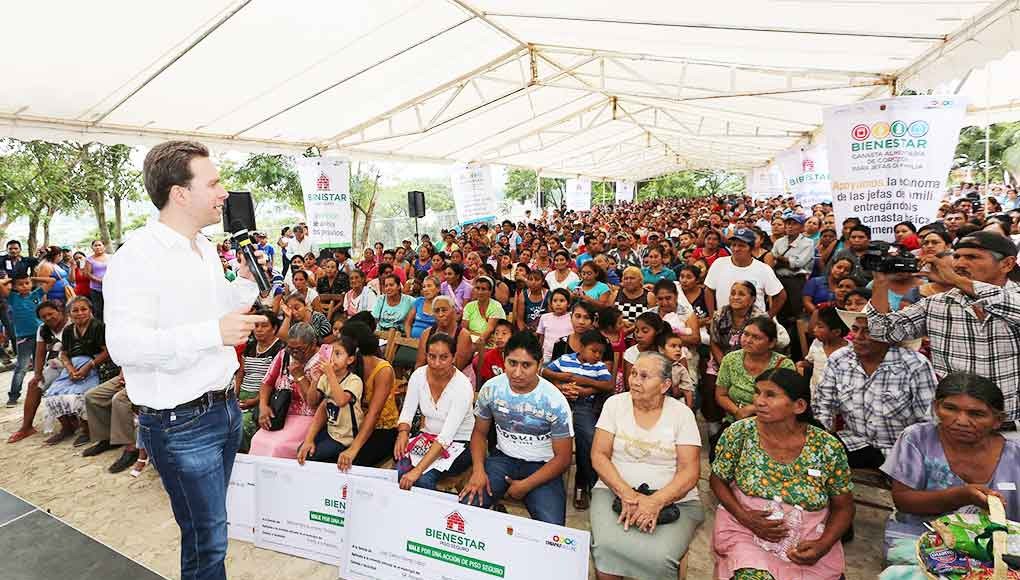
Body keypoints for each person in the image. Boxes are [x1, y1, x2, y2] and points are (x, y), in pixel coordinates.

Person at [104, 140, 268, 580]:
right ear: (179, 193)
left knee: (211, 531)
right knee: (207, 540)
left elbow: (219, 311)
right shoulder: (137, 257)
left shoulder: (206, 248)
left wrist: (247, 284)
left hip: (224, 409)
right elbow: (124, 346)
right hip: (181, 424)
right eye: (213, 183)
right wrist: (212, 334)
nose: (223, 193)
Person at [867, 231, 1020, 429]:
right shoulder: (936, 304)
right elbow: (882, 331)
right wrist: (880, 282)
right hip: (953, 425)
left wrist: (955, 280)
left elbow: (1008, 305)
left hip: (1012, 424)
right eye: (957, 256)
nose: (960, 264)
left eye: (972, 257)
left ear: (1007, 264)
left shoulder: (1014, 299)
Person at [711, 368, 853, 580]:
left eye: (770, 395)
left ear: (799, 406)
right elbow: (717, 480)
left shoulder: (827, 447)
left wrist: (822, 545)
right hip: (747, 531)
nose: (759, 401)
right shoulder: (740, 433)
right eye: (757, 392)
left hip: (807, 540)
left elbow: (844, 506)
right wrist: (746, 518)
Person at [881, 373, 1020, 564]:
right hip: (922, 538)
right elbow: (904, 500)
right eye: (950, 408)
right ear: (936, 408)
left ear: (998, 420)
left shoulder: (1015, 454)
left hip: (1000, 547)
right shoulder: (917, 438)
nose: (961, 421)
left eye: (976, 414)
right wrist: (962, 496)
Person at [590, 352, 704, 580]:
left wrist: (655, 502)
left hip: (674, 498)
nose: (634, 381)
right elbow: (599, 455)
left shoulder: (682, 414)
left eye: (644, 376)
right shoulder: (615, 404)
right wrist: (626, 493)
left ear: (665, 385)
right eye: (633, 373)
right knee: (606, 547)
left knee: (660, 556)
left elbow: (690, 471)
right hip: (614, 490)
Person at [459, 331, 574, 525]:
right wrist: (478, 470)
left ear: (539, 365)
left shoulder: (554, 401)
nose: (517, 373)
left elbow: (563, 459)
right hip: (502, 460)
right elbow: (479, 433)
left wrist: (525, 486)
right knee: (466, 509)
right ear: (504, 359)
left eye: (526, 365)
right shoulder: (491, 389)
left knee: (552, 529)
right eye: (512, 363)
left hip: (542, 466)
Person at [814, 311, 937, 469]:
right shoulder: (839, 359)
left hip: (900, 450)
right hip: (853, 442)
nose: (857, 337)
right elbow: (823, 406)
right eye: (855, 329)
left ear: (888, 337)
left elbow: (928, 422)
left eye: (868, 331)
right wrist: (822, 439)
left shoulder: (915, 365)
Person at [543, 329, 615, 510]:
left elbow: (608, 384)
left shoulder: (599, 367)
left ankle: (583, 482)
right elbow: (544, 372)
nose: (597, 356)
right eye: (594, 351)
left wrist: (585, 385)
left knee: (589, 438)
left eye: (600, 353)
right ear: (581, 348)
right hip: (561, 403)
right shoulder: (565, 359)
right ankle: (547, 479)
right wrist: (560, 381)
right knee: (544, 433)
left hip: (584, 406)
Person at [393, 333, 475, 490]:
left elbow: (446, 437)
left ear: (453, 357)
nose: (437, 363)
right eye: (432, 356)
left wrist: (417, 470)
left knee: (424, 480)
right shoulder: (418, 376)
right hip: (427, 437)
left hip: (458, 443)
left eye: (444, 357)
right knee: (399, 471)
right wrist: (403, 433)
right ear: (426, 355)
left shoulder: (463, 386)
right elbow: (407, 413)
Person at [41, 296, 109, 446]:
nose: (80, 313)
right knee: (52, 394)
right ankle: (67, 428)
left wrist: (88, 366)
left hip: (94, 367)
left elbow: (106, 352)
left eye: (84, 309)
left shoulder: (98, 327)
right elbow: (64, 353)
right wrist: (70, 369)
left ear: (90, 311)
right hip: (72, 367)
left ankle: (87, 430)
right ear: (69, 314)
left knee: (80, 395)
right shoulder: (68, 330)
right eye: (75, 310)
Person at [250, 322, 323, 458]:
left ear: (313, 344)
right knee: (257, 441)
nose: (294, 353)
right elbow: (267, 382)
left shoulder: (322, 360)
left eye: (300, 349)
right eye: (291, 348)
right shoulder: (284, 354)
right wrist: (263, 406)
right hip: (281, 412)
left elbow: (312, 402)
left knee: (277, 446)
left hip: (307, 416)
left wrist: (299, 376)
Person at [337, 321, 401, 468]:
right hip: (353, 424)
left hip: (382, 429)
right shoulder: (348, 365)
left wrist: (354, 449)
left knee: (351, 462)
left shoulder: (383, 370)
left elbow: (374, 413)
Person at [296, 336, 364, 465]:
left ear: (350, 360)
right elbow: (311, 401)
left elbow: (341, 401)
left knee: (312, 457)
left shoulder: (354, 381)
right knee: (302, 450)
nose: (332, 358)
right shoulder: (325, 378)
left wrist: (330, 374)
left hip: (346, 437)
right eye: (331, 353)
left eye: (337, 354)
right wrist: (315, 380)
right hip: (331, 431)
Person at [6, 300, 67, 443]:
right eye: (43, 316)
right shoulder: (42, 329)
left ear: (59, 311)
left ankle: (70, 425)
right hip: (57, 365)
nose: (48, 318)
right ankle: (26, 427)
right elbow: (40, 353)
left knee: (58, 387)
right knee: (34, 385)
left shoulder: (71, 324)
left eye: (50, 314)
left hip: (75, 364)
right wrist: (38, 374)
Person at [715, 316, 795, 423]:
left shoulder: (784, 364)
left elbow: (787, 400)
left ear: (771, 343)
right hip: (736, 420)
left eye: (756, 337)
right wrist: (738, 412)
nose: (748, 340)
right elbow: (721, 394)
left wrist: (753, 409)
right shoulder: (731, 359)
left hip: (773, 421)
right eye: (745, 334)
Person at [705, 228, 786, 318]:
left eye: (741, 246)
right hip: (724, 321)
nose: (736, 249)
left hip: (753, 322)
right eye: (733, 245)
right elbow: (709, 290)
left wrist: (767, 317)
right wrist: (712, 316)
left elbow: (781, 295)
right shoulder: (719, 263)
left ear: (751, 249)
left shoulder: (763, 269)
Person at [1, 272, 55, 407]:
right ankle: (13, 395)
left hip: (40, 335)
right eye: (20, 284)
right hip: (23, 337)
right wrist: (12, 279)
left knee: (40, 365)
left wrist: (33, 278)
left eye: (27, 283)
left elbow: (51, 281)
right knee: (21, 367)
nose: (24, 286)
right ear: (14, 286)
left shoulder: (36, 294)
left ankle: (42, 389)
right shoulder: (12, 297)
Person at [235, 307, 284, 452]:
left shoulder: (280, 349)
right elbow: (241, 373)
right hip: (243, 395)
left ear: (274, 328)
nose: (259, 330)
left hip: (263, 399)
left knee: (241, 425)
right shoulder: (249, 346)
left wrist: (255, 401)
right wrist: (235, 395)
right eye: (256, 326)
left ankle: (248, 456)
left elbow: (276, 382)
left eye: (264, 326)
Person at [82, 369, 143, 474]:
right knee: (92, 396)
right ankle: (109, 439)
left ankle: (132, 448)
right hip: (129, 374)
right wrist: (123, 374)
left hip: (148, 378)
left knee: (119, 399)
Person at [771, 215, 815, 323]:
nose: (790, 226)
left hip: (796, 280)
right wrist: (788, 261)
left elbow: (799, 263)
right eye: (788, 224)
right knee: (779, 311)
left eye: (794, 224)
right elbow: (773, 258)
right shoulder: (779, 242)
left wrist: (781, 260)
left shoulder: (808, 243)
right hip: (779, 279)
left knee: (797, 311)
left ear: (801, 227)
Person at [798, 307, 848, 391]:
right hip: (816, 393)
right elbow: (810, 362)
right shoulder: (816, 344)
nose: (814, 329)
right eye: (816, 325)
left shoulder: (849, 351)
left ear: (836, 332)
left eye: (820, 327)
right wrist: (802, 364)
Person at [536, 288, 573, 363]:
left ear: (568, 303)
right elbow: (541, 338)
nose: (558, 304)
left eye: (562, 301)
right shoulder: (544, 317)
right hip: (546, 357)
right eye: (555, 301)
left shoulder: (572, 317)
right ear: (551, 303)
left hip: (567, 357)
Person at [406, 275, 440, 339]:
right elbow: (408, 323)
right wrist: (409, 338)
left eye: (429, 286)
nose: (426, 289)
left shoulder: (441, 304)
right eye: (424, 287)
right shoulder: (419, 301)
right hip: (412, 340)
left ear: (438, 289)